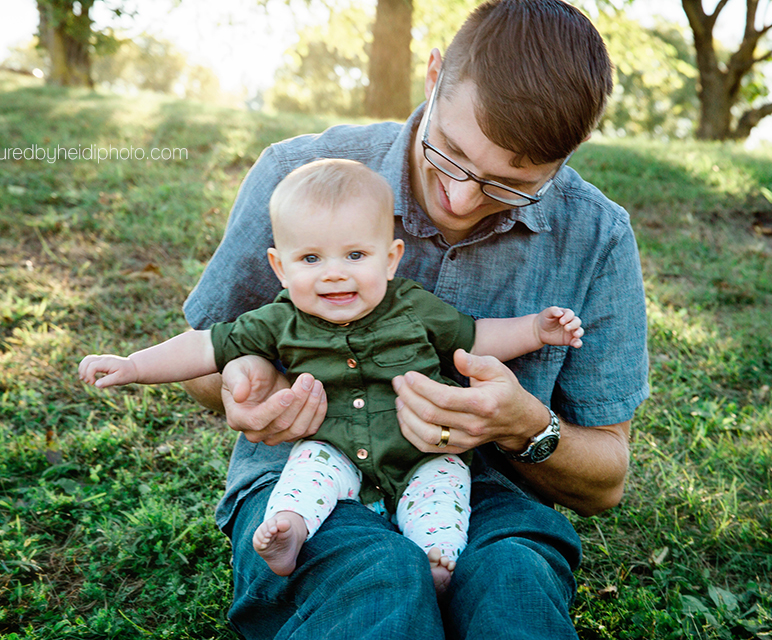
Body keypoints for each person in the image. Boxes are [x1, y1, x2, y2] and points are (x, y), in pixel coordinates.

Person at [180, 0, 649, 637]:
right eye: (450, 153)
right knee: (376, 580)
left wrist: (523, 426)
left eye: (510, 184)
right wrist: (250, 384)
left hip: (493, 498)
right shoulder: (298, 177)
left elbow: (605, 480)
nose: (461, 198)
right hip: (314, 478)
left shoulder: (597, 236)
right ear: (433, 77)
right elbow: (203, 358)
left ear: (565, 159)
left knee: (512, 589)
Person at [78, 158, 586, 594]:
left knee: (447, 489)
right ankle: (291, 532)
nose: (334, 273)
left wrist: (537, 330)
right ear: (280, 268)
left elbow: (477, 337)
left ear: (391, 260)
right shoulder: (279, 320)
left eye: (356, 255)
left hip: (422, 453)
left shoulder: (413, 308)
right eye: (311, 258)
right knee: (304, 473)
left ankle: (436, 562)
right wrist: (134, 366)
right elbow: (206, 345)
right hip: (335, 449)